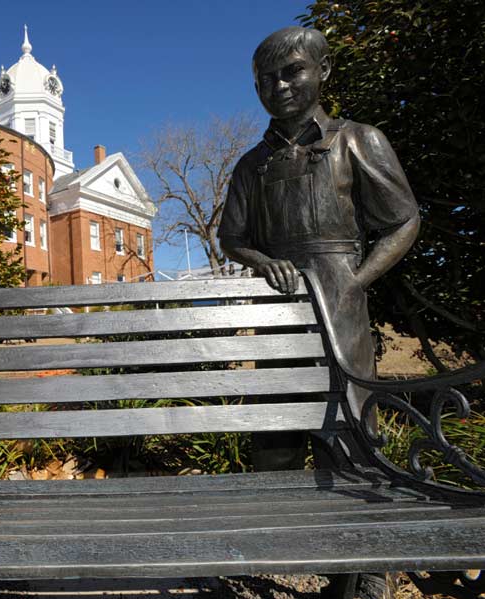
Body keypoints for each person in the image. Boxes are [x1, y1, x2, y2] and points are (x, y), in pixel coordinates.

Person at [218, 26, 419, 599]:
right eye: (265, 79)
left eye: (291, 72)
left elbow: (402, 220)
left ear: (323, 72)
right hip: (280, 309)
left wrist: (357, 281)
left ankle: (363, 572)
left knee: (353, 430)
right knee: (278, 437)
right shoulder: (252, 165)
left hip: (342, 300)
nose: (277, 86)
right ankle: (299, 547)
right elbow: (232, 238)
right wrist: (261, 259)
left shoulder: (358, 141)